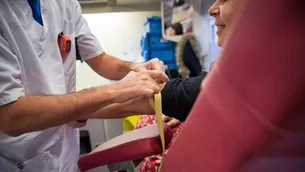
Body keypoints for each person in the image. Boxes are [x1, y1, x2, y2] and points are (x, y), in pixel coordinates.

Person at [0, 0, 168, 171]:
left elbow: (100, 60)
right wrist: (117, 90)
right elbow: (10, 115)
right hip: (21, 156)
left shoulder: (65, 4)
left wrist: (134, 68)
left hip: (65, 149)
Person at [90, 0, 233, 122]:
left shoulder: (238, 76)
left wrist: (78, 110)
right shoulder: (233, 70)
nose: (211, 9)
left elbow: (140, 100)